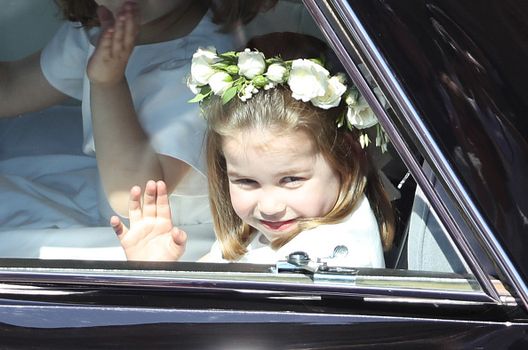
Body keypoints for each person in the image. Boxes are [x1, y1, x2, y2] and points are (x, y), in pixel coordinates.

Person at [111, 33, 396, 267]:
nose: (270, 207)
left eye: (291, 180)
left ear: (346, 156)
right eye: (246, 181)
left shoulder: (324, 259)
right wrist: (158, 270)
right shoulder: (285, 231)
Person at [0, 0, 275, 222]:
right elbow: (13, 87)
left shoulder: (206, 63)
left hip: (175, 240)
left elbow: (140, 196)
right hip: (111, 214)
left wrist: (107, 83)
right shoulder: (101, 26)